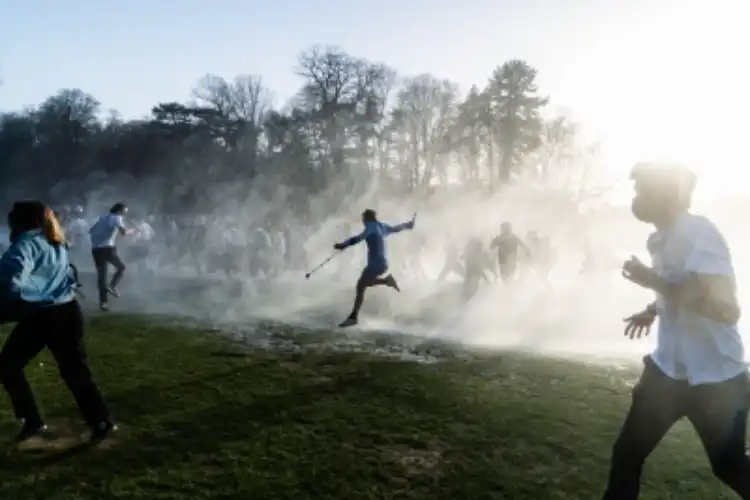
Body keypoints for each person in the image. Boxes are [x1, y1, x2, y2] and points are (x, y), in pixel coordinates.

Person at [602, 163, 750, 499]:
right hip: (666, 372)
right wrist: (653, 309)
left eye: (641, 190)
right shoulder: (658, 239)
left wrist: (652, 281)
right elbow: (680, 287)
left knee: (728, 466)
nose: (635, 197)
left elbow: (727, 311)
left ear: (665, 195)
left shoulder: (700, 234)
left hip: (718, 380)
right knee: (627, 454)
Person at [0, 201, 116, 443]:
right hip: (63, 311)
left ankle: (33, 420)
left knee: (9, 366)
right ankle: (99, 420)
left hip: (44, 314)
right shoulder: (55, 241)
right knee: (74, 371)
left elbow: (9, 277)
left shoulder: (26, 244)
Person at [334, 209, 416, 327]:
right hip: (383, 263)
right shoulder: (382, 227)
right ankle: (354, 316)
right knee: (362, 285)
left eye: (363, 219)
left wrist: (342, 245)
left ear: (367, 218)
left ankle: (354, 317)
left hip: (375, 264)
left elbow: (356, 239)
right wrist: (408, 225)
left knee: (361, 285)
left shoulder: (370, 228)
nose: (363, 222)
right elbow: (396, 228)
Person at [89, 202, 133, 311]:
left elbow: (91, 231)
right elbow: (123, 232)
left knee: (102, 276)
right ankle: (112, 285)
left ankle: (103, 303)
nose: (125, 214)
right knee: (121, 268)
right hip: (107, 248)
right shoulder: (116, 217)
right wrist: (134, 230)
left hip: (96, 249)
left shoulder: (103, 217)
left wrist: (99, 237)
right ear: (119, 210)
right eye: (125, 211)